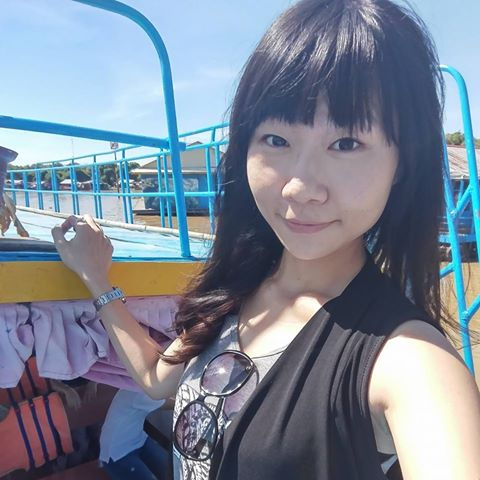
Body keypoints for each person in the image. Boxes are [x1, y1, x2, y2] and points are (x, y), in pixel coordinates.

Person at [51, 0, 480, 478]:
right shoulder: (241, 288)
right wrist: (95, 277)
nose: (299, 187)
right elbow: (155, 379)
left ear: (403, 164)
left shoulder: (409, 361)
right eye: (277, 140)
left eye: (346, 144)